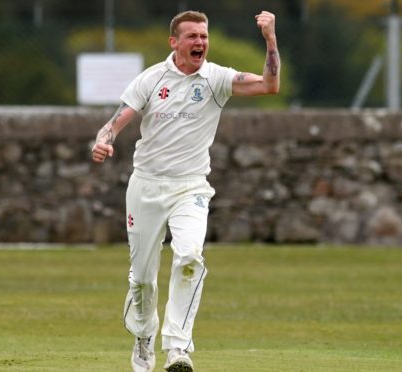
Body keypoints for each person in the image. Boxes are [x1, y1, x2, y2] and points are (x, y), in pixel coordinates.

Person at [91, 10, 280, 372]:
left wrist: (270, 39)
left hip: (191, 187)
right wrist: (103, 142)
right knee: (143, 278)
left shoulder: (217, 79)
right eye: (192, 36)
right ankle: (143, 339)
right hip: (145, 186)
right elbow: (113, 124)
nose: (200, 43)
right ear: (174, 42)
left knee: (190, 255)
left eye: (204, 36)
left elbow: (269, 86)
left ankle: (178, 349)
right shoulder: (151, 79)